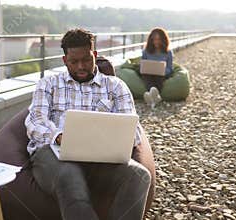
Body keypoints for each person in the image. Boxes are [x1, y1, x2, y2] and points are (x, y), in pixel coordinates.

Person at [25, 28, 151, 220]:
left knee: (140, 176)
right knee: (69, 177)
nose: (81, 66)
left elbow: (132, 130)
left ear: (95, 55)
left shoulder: (116, 86)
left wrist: (108, 143)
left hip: (102, 159)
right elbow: (35, 121)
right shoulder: (48, 84)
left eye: (86, 59)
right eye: (74, 62)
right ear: (64, 60)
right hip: (54, 156)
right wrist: (59, 137)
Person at [142, 27, 173, 108]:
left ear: (163, 40)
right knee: (147, 76)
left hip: (161, 75)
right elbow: (143, 65)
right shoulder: (146, 52)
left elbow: (170, 68)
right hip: (148, 74)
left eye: (158, 39)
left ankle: (151, 96)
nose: (156, 42)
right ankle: (155, 97)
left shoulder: (168, 52)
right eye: (154, 39)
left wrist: (162, 71)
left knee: (158, 76)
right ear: (151, 40)